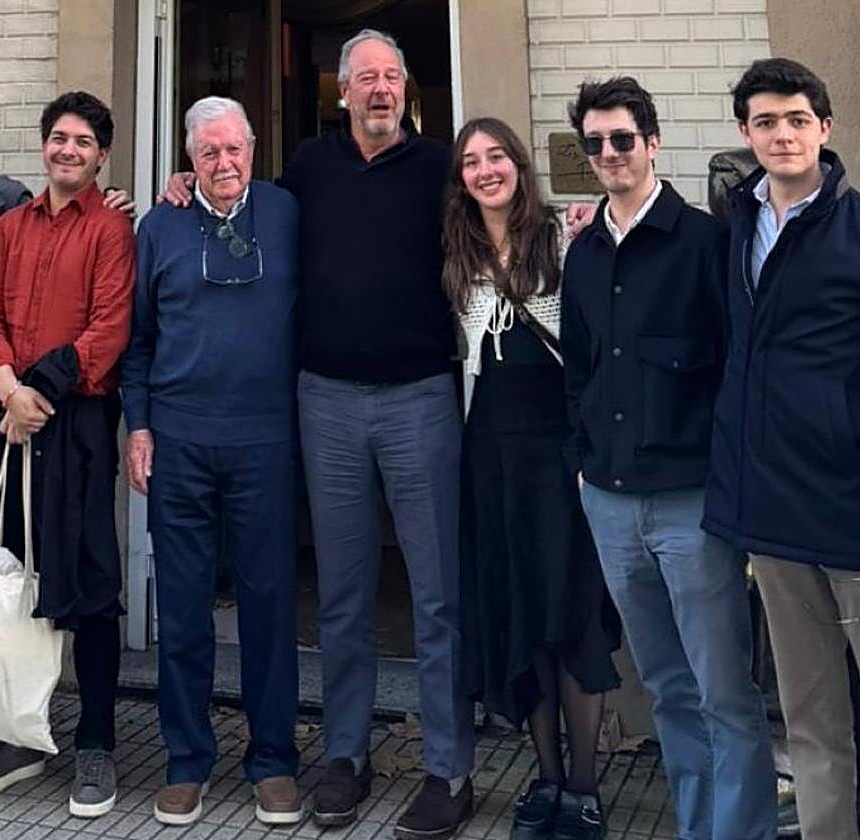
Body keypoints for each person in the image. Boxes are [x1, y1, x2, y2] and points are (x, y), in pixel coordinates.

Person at [165, 30, 473, 840]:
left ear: (407, 89)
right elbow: (237, 200)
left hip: (419, 398)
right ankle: (345, 755)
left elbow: (500, 226)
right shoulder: (307, 169)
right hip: (326, 402)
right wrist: (183, 183)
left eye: (391, 76)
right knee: (340, 594)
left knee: (436, 595)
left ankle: (447, 766)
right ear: (342, 91)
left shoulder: (441, 168)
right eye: (365, 77)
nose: (380, 88)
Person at [703, 57, 860, 840]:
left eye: (797, 119)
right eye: (766, 121)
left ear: (824, 129)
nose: (783, 134)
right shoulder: (736, 228)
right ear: (746, 133)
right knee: (811, 726)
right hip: (774, 523)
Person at [560, 76, 776, 839]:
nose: (609, 153)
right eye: (595, 142)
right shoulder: (583, 254)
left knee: (725, 693)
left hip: (692, 504)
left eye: (622, 138)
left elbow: (737, 372)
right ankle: (697, 827)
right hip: (610, 504)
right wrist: (582, 462)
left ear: (652, 142)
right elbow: (578, 372)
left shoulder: (706, 245)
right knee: (668, 688)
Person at [120, 96, 302, 828]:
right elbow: (137, 340)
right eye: (207, 153)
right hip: (181, 440)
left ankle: (274, 760)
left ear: (253, 150)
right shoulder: (159, 226)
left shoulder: (287, 214)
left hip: (266, 439)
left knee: (269, 606)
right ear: (188, 160)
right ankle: (186, 760)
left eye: (233, 150)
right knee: (184, 609)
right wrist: (139, 426)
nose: (223, 164)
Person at [0, 91, 134, 820]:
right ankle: (16, 736)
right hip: (11, 421)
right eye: (59, 138)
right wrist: (8, 387)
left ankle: (95, 743)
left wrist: (40, 388)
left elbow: (109, 327)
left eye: (83, 142)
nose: (69, 150)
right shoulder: (9, 226)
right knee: (12, 579)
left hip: (78, 422)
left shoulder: (112, 229)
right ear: (44, 146)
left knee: (89, 583)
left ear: (101, 155)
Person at [446, 117, 620, 840]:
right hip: (490, 450)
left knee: (566, 605)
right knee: (518, 605)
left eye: (497, 157)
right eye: (471, 162)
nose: (486, 170)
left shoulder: (562, 238)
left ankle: (583, 786)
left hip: (556, 449)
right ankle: (545, 777)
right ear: (460, 180)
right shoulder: (457, 252)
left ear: (518, 164)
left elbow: (592, 344)